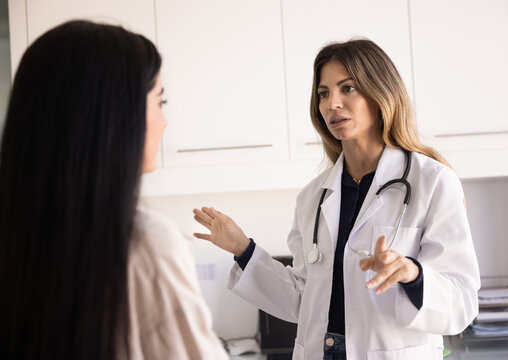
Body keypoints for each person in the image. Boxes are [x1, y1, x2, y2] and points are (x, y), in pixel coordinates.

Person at [193, 39, 480, 360]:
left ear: (380, 92)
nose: (333, 104)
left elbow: (462, 302)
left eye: (348, 88)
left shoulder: (433, 182)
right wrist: (243, 250)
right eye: (324, 93)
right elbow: (303, 300)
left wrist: (412, 275)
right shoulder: (312, 197)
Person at [0, 20, 228, 360]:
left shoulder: (19, 241)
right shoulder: (142, 242)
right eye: (159, 102)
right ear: (116, 116)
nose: (164, 121)